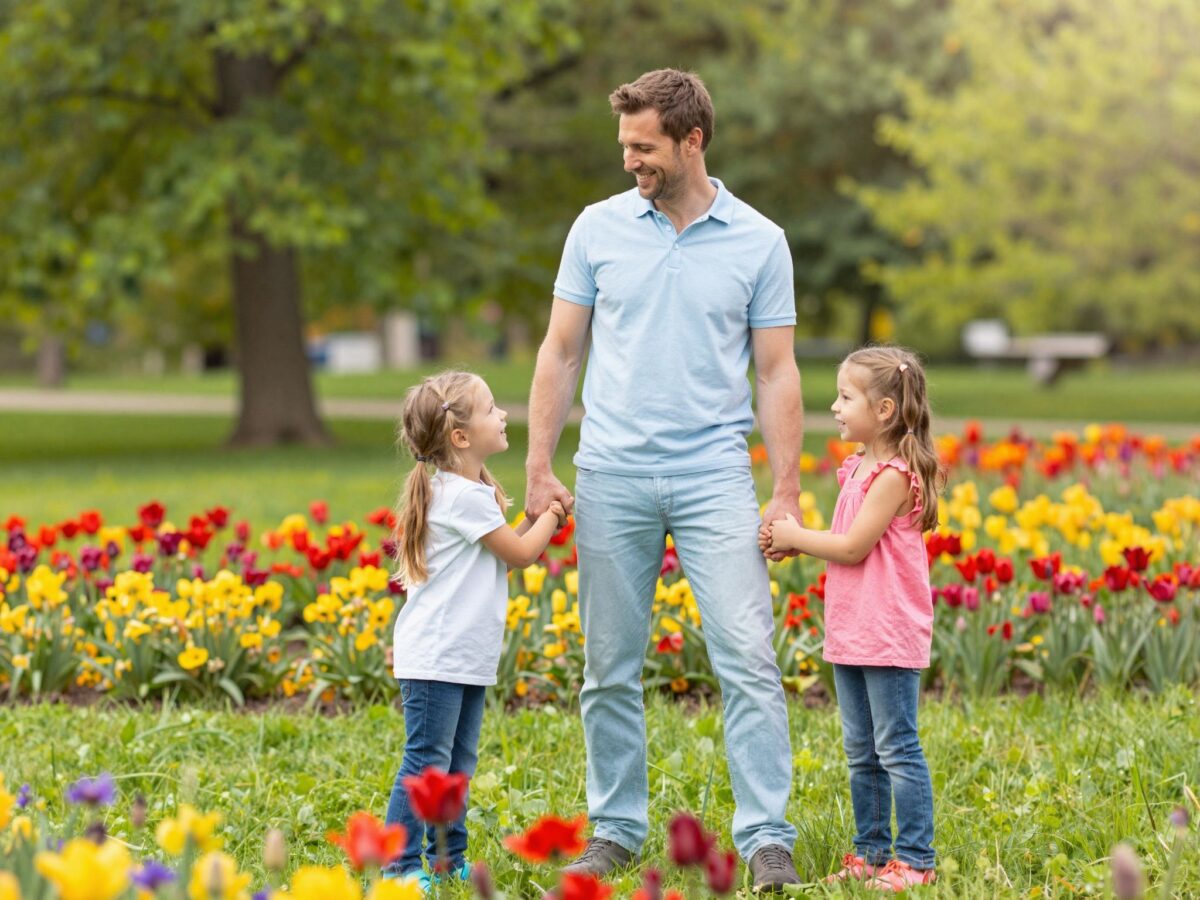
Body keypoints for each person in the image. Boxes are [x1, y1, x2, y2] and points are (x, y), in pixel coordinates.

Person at [525, 69, 805, 891]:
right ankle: (614, 828)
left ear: (692, 141)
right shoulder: (596, 229)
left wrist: (785, 490)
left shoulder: (761, 241)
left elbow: (777, 371)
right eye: (624, 146)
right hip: (611, 471)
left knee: (748, 657)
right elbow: (561, 350)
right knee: (607, 665)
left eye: (643, 147)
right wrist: (538, 465)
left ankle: (766, 841)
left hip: (715, 473)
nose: (629, 163)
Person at [759, 345, 942, 892]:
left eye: (845, 397)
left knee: (897, 749)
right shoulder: (859, 467)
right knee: (862, 752)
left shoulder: (892, 474)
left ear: (884, 410)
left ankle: (915, 859)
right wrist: (799, 543)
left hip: (887, 632)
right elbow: (842, 541)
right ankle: (869, 852)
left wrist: (796, 537)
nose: (834, 407)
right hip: (854, 630)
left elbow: (854, 547)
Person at [383, 370, 566, 890]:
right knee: (426, 763)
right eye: (491, 409)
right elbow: (523, 555)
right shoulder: (463, 497)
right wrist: (552, 513)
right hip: (438, 655)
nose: (503, 414)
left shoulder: (466, 492)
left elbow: (503, 554)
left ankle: (446, 860)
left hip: (459, 655)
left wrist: (537, 520)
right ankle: (399, 868)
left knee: (456, 761)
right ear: (460, 437)